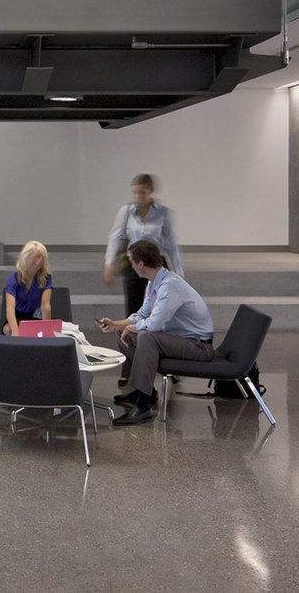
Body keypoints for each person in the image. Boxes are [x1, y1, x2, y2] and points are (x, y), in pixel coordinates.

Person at [96, 240, 215, 424]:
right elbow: (143, 314)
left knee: (146, 336)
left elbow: (154, 324)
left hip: (198, 346)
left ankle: (143, 406)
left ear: (141, 264)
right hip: (180, 339)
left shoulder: (170, 285)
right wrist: (117, 325)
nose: (131, 265)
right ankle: (146, 392)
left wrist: (128, 327)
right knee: (123, 333)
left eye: (131, 261)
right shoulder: (154, 283)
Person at [102, 172, 182, 316]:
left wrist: (179, 271)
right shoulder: (126, 211)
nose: (139, 196)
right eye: (135, 192)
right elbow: (115, 236)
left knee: (160, 304)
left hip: (156, 262)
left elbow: (171, 243)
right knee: (134, 306)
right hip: (134, 262)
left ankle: (156, 337)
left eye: (143, 192)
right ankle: (132, 337)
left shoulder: (163, 213)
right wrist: (109, 264)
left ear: (151, 191)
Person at [2, 240, 54, 335]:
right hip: (18, 317)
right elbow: (10, 309)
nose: (39, 261)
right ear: (26, 257)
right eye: (36, 257)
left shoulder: (46, 278)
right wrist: (15, 331)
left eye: (42, 257)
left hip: (36, 316)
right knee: (8, 330)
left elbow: (45, 305)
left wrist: (47, 329)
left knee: (44, 332)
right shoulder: (13, 279)